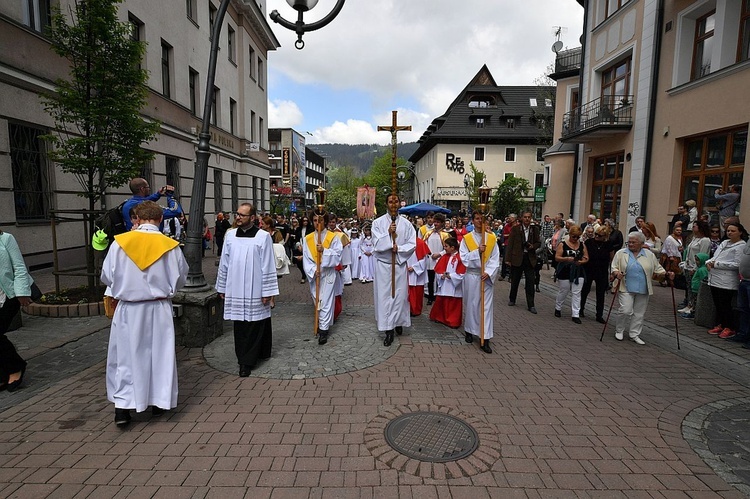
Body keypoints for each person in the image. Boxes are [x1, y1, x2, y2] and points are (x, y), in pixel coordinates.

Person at [101, 201, 189, 425]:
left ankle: (123, 408)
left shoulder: (120, 244)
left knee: (126, 357)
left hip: (129, 309)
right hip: (158, 308)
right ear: (160, 219)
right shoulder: (170, 245)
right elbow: (180, 278)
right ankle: (159, 401)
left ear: (136, 219)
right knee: (160, 355)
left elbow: (107, 277)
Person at [216, 203, 279, 376]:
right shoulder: (230, 236)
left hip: (255, 288)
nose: (238, 217)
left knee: (255, 323)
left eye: (242, 215)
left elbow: (268, 265)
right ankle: (243, 359)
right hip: (235, 287)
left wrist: (267, 291)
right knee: (240, 325)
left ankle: (249, 361)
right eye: (237, 214)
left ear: (252, 218)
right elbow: (224, 263)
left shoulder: (262, 237)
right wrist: (222, 287)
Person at [610, 232, 673, 345]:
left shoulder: (649, 255)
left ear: (642, 243)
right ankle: (619, 330)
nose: (630, 244)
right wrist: (616, 273)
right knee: (625, 310)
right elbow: (614, 266)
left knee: (639, 313)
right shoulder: (621, 253)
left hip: (643, 288)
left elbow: (658, 269)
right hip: (626, 286)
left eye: (634, 242)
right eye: (629, 242)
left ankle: (634, 334)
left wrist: (667, 274)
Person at [371, 195, 416, 347]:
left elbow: (412, 243)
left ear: (400, 204)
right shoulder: (377, 223)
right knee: (385, 298)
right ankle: (388, 329)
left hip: (399, 264)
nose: (393, 204)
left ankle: (398, 322)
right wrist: (388, 235)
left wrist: (400, 248)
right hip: (384, 266)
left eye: (396, 201)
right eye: (390, 201)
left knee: (400, 297)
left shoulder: (407, 224)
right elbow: (376, 243)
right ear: (386, 204)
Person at [460, 212, 499, 353]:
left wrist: (488, 272)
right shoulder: (466, 239)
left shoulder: (491, 239)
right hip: (472, 275)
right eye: (476, 218)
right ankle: (470, 330)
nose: (479, 221)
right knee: (472, 304)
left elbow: (495, 258)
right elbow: (463, 258)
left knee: (486, 307)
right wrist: (477, 252)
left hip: (485, 277)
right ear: (472, 220)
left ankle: (485, 337)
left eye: (482, 219)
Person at [0, 229, 33, 393]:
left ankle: (15, 367)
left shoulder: (6, 239)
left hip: (8, 295)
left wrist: (22, 293)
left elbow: (19, 266)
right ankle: (4, 372)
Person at [302, 212, 343, 345]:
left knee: (325, 302)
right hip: (316, 274)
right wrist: (313, 270)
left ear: (324, 221)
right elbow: (307, 258)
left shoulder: (333, 237)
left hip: (328, 273)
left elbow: (337, 256)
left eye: (319, 220)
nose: (317, 223)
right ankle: (321, 323)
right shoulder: (308, 238)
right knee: (317, 301)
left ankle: (323, 331)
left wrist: (324, 251)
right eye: (314, 220)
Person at [705, 222, 745, 339]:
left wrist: (716, 264)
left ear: (740, 232)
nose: (730, 233)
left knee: (725, 304)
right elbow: (715, 256)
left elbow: (737, 264)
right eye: (728, 231)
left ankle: (730, 327)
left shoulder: (741, 246)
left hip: (727, 280)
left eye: (733, 231)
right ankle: (721, 324)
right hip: (714, 278)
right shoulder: (724, 243)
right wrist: (708, 262)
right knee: (718, 304)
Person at [506, 211, 541, 314]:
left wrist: (532, 246)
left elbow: (538, 242)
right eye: (525, 217)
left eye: (529, 217)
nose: (527, 219)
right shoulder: (516, 229)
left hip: (529, 258)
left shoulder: (534, 230)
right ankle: (512, 299)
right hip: (517, 258)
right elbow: (510, 244)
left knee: (530, 282)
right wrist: (508, 259)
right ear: (521, 218)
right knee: (515, 280)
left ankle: (531, 304)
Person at [554, 225, 589, 323]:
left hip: (578, 272)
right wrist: (567, 259)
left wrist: (581, 262)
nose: (575, 239)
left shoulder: (582, 245)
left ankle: (575, 314)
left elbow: (586, 257)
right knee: (564, 290)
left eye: (578, 237)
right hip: (565, 270)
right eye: (574, 236)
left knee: (576, 293)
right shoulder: (563, 244)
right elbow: (557, 257)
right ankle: (558, 307)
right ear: (570, 234)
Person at [429, 237, 465, 329]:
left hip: (454, 285)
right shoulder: (444, 257)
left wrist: (451, 276)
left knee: (453, 303)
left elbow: (462, 273)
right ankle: (440, 318)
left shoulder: (460, 258)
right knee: (442, 300)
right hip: (444, 282)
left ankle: (453, 321)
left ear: (452, 247)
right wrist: (441, 275)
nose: (444, 248)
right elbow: (438, 270)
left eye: (446, 246)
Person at [678, 221, 711, 316]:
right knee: (689, 286)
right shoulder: (694, 238)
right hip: (688, 265)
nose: (692, 228)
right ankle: (689, 304)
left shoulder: (705, 240)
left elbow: (702, 254)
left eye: (694, 226)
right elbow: (688, 252)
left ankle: (693, 307)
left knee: (695, 287)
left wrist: (696, 268)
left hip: (695, 267)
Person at [581, 225, 612, 324]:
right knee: (585, 290)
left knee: (600, 293)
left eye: (600, 235)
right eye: (596, 234)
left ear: (605, 236)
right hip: (589, 269)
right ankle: (580, 309)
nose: (597, 236)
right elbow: (584, 255)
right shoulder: (589, 242)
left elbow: (612, 258)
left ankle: (599, 315)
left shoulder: (608, 244)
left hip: (602, 271)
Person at [422, 213, 449, 306]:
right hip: (430, 260)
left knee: (439, 280)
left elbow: (449, 248)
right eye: (435, 222)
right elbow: (423, 245)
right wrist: (429, 254)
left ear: (442, 223)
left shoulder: (445, 235)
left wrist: (439, 254)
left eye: (438, 222)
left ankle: (438, 296)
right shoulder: (428, 233)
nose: (436, 224)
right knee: (430, 279)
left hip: (440, 260)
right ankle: (430, 296)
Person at [407, 236, 430, 317]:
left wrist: (414, 267)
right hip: (405, 271)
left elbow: (425, 259)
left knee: (417, 293)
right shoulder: (404, 242)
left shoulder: (420, 243)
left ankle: (415, 310)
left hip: (417, 273)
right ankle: (407, 309)